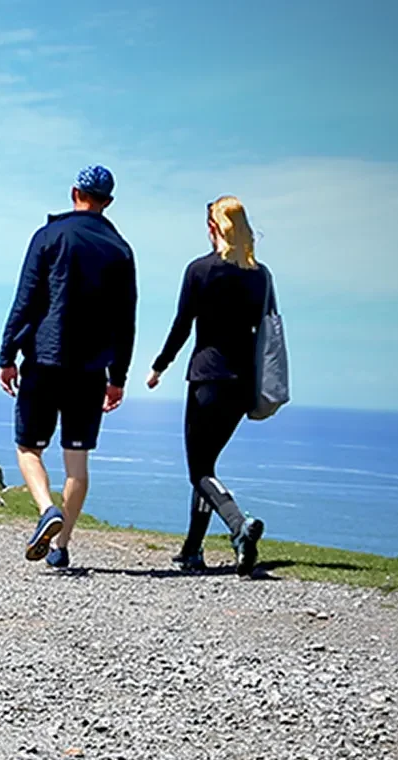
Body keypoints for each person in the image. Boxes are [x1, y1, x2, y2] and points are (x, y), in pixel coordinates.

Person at [1, 165, 137, 570]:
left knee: (29, 448)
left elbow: (26, 299)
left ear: (75, 192)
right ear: (108, 202)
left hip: (45, 359)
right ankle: (60, 547)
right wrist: (118, 377)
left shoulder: (49, 236)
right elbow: (125, 320)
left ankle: (47, 509)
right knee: (77, 460)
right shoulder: (121, 249)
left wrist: (7, 356)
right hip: (92, 369)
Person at [149, 196, 271, 575]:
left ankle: (239, 524)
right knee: (208, 468)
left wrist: (159, 366)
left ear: (214, 227)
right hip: (243, 384)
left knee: (198, 471)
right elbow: (268, 330)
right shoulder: (260, 275)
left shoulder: (200, 270)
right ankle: (192, 550)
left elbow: (182, 326)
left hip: (207, 379)